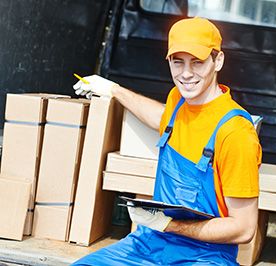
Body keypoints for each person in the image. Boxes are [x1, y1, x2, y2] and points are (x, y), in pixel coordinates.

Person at [72, 17, 262, 265]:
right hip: (149, 243)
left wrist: (169, 225)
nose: (186, 74)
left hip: (205, 255)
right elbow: (161, 117)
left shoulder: (235, 134)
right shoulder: (178, 101)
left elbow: (244, 229)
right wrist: (114, 90)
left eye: (197, 62)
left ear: (218, 61)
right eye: (177, 62)